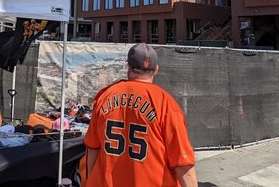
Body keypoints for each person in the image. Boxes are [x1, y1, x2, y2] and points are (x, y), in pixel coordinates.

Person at [84, 43, 197, 187]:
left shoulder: (105, 96)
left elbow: (93, 148)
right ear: (156, 70)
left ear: (129, 67)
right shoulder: (166, 104)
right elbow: (183, 163)